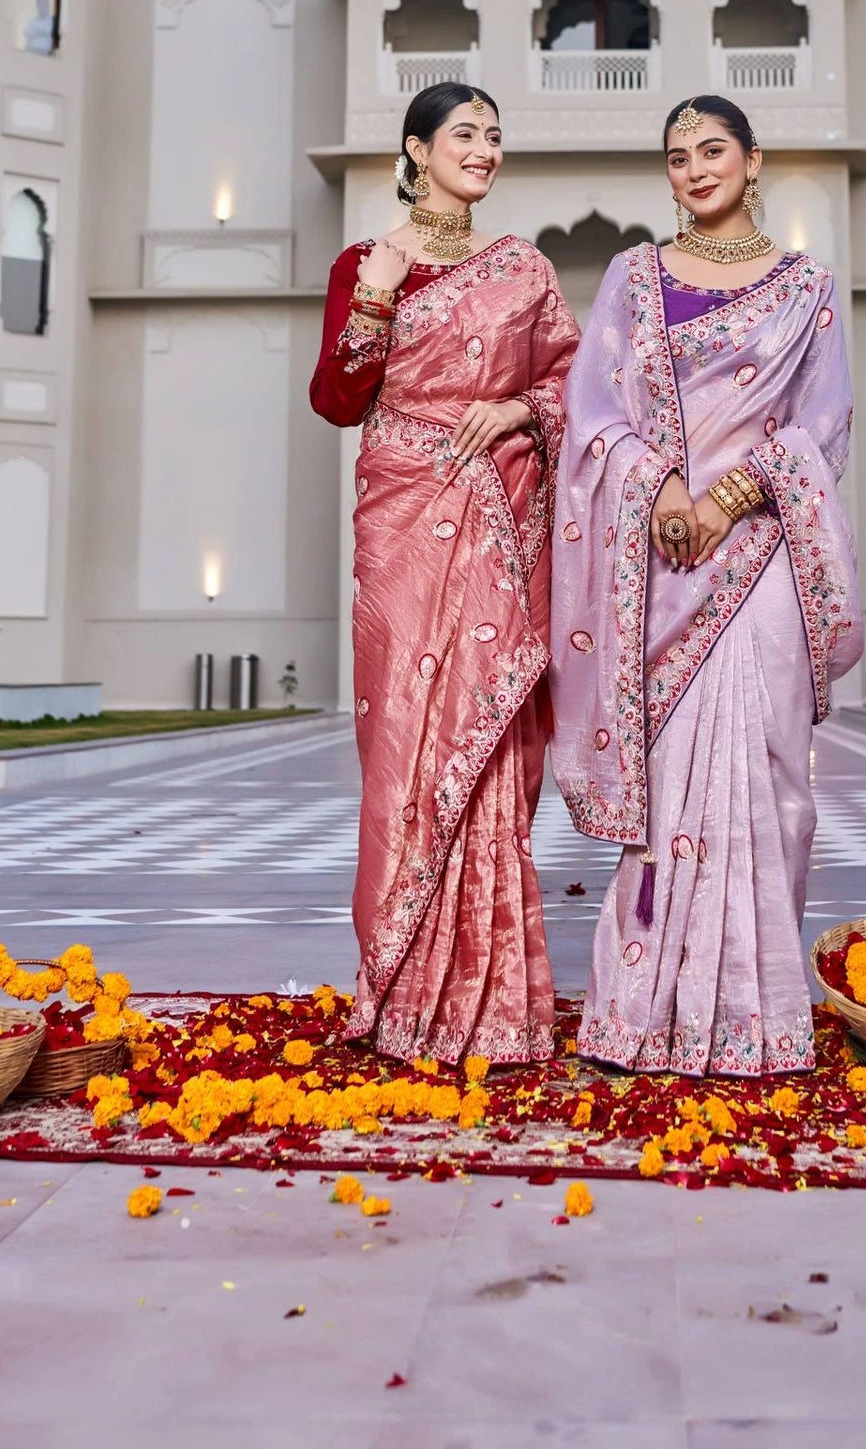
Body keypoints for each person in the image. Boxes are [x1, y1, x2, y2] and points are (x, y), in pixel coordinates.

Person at [550, 95, 861, 1076]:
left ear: (752, 159)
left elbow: (822, 430)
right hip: (658, 563)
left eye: (711, 149)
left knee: (767, 780)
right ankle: (641, 1015)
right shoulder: (631, 278)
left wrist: (728, 495)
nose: (693, 168)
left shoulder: (805, 289)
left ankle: (754, 1017)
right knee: (666, 785)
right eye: (676, 155)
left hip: (759, 556)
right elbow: (592, 413)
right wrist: (666, 486)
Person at [310, 82, 579, 1063]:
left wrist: (515, 414)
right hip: (400, 532)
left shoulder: (523, 271)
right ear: (417, 150)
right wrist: (378, 291)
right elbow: (339, 399)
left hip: (497, 521)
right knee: (400, 760)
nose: (484, 149)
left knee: (488, 752)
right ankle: (401, 986)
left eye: (495, 135)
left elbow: (573, 383)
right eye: (464, 133)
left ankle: (492, 1002)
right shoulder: (367, 263)